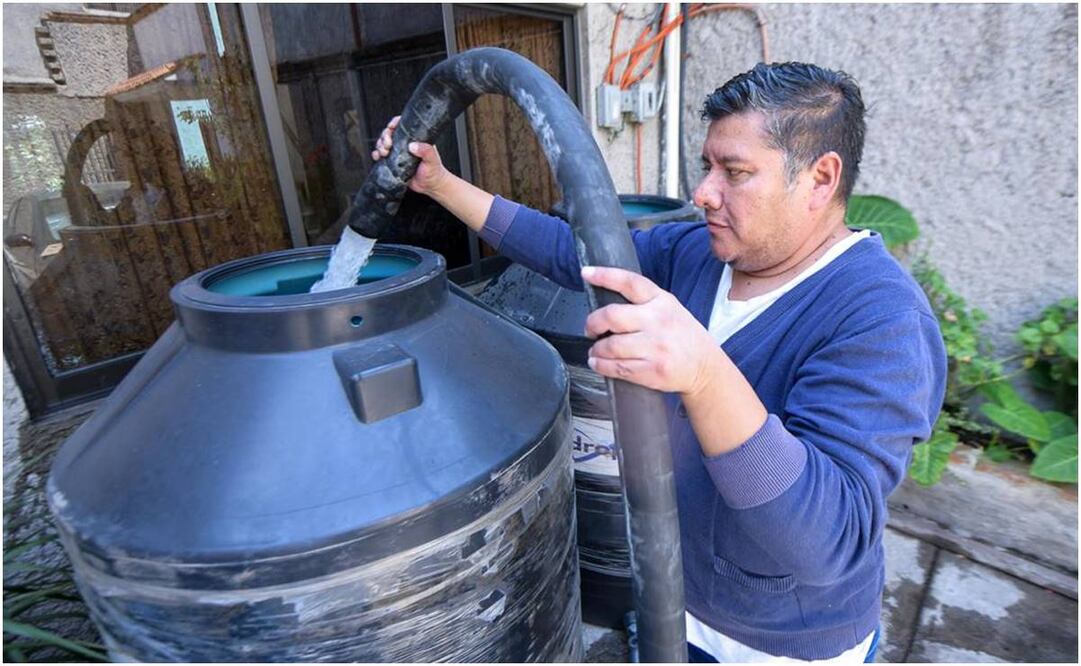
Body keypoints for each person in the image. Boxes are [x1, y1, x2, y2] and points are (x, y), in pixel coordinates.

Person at [372, 62, 947, 663]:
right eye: (707, 165)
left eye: (736, 172)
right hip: (677, 606)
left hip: (783, 644)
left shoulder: (881, 321)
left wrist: (704, 373)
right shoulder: (699, 254)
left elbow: (830, 543)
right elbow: (577, 256)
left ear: (821, 179)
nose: (703, 192)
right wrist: (441, 185)